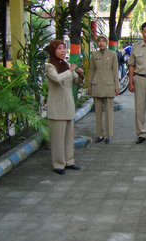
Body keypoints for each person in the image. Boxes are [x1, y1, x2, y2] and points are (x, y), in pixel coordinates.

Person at [46, 40, 84, 175]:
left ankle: (69, 161)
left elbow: (77, 83)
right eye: (60, 48)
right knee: (58, 137)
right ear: (53, 51)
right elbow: (56, 79)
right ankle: (58, 164)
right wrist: (71, 70)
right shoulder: (50, 66)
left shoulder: (67, 65)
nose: (63, 51)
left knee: (68, 136)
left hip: (68, 106)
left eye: (64, 48)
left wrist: (80, 75)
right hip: (56, 107)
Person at [89, 34, 119, 144]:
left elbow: (115, 71)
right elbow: (91, 71)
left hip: (109, 86)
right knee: (98, 113)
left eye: (103, 41)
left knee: (109, 113)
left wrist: (117, 87)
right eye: (99, 41)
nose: (101, 43)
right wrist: (89, 86)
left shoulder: (112, 54)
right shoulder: (94, 55)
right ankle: (99, 134)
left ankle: (109, 135)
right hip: (96, 86)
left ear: (106, 42)